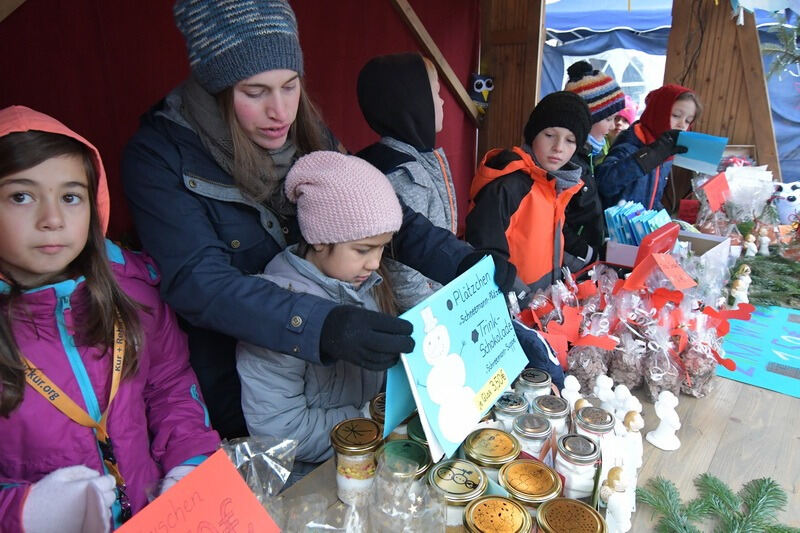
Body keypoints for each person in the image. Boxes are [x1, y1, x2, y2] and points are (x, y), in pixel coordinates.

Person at [122, 0, 515, 439]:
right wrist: (320, 325)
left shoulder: (308, 131)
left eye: (291, 86)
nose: (281, 113)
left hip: (333, 381)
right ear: (216, 88)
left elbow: (370, 212)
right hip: (242, 390)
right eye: (255, 93)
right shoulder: (159, 156)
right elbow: (198, 281)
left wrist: (462, 262)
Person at [0, 106, 220, 531]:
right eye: (21, 196)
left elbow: (170, 385)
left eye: (70, 196)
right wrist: (25, 513)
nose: (52, 219)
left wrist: (189, 462)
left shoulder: (132, 289)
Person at [237, 152, 400, 485]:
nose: (374, 263)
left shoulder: (364, 284)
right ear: (319, 239)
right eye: (363, 249)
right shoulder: (276, 311)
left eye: (382, 248)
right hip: (310, 479)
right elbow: (279, 429)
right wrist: (369, 419)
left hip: (363, 457)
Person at [356, 52, 457, 311]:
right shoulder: (402, 174)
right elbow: (404, 271)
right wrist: (437, 317)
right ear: (416, 102)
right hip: (422, 316)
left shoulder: (414, 159)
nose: (443, 102)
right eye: (436, 93)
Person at [465, 91, 592, 292]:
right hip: (510, 303)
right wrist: (521, 297)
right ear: (533, 135)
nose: (558, 147)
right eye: (549, 135)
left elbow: (547, 240)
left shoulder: (555, 184)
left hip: (541, 300)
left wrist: (584, 261)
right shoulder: (509, 187)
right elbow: (484, 253)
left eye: (570, 140)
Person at [596, 84, 702, 210]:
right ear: (658, 112)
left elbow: (652, 199)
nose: (682, 125)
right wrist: (650, 157)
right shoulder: (630, 143)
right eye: (676, 115)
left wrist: (667, 222)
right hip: (613, 227)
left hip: (639, 226)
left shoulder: (665, 152)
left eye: (688, 121)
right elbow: (604, 183)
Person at [563, 61, 626, 267]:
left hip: (587, 252)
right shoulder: (568, 160)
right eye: (608, 118)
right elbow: (559, 220)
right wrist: (586, 251)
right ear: (587, 120)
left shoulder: (590, 153)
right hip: (573, 257)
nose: (612, 125)